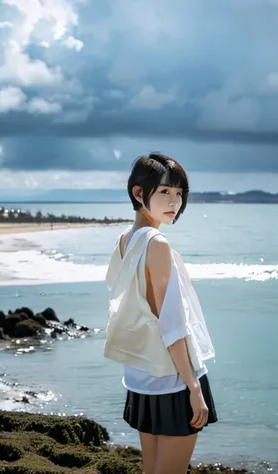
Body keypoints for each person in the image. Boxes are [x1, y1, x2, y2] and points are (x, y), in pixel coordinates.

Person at [104, 153, 217, 474]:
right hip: (173, 378)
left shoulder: (126, 241)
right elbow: (171, 324)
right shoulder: (157, 244)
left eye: (179, 193)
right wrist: (194, 387)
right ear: (139, 194)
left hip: (142, 377)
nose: (175, 201)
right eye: (165, 192)